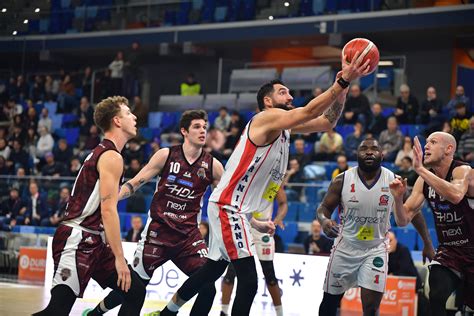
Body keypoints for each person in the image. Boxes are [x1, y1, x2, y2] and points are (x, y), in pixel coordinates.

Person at [152, 50, 371, 316]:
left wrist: (342, 90)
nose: (290, 96)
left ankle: (167, 312)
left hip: (238, 210)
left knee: (212, 269)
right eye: (283, 92)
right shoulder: (265, 119)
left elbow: (327, 122)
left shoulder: (284, 127)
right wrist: (343, 82)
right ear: (268, 101)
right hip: (228, 206)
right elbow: (310, 110)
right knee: (249, 281)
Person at [87, 109, 224, 316]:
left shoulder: (213, 166)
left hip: (188, 237)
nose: (203, 131)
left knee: (208, 288)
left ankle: (167, 313)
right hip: (157, 235)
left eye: (205, 127)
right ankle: (96, 312)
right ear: (184, 131)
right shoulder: (166, 155)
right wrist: (112, 197)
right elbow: (135, 183)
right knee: (132, 286)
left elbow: (225, 203)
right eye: (197, 127)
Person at [34, 96, 146, 315]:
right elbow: (107, 209)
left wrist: (133, 184)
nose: (134, 117)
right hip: (78, 238)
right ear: (117, 121)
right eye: (128, 113)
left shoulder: (103, 152)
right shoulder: (111, 156)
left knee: (135, 290)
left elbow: (105, 197)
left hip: (95, 241)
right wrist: (120, 259)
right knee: (57, 311)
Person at [317, 138, 430, 316]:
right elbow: (323, 208)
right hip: (345, 247)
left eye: (374, 149)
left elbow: (414, 211)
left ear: (382, 155)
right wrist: (324, 221)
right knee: (330, 302)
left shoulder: (394, 181)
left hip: (375, 249)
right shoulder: (342, 180)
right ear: (356, 154)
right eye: (364, 148)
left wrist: (427, 243)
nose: (369, 152)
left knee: (370, 308)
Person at [388, 132, 474, 316]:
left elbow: (457, 195)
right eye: (426, 142)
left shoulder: (463, 170)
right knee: (436, 293)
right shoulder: (423, 180)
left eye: (433, 142)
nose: (426, 146)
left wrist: (420, 170)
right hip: (450, 252)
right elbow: (403, 220)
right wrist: (397, 199)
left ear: (449, 149)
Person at [220, 188, 288, 316]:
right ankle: (223, 312)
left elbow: (283, 203)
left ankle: (280, 313)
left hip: (264, 229)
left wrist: (278, 219)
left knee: (270, 274)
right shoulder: (247, 178)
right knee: (231, 272)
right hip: (243, 226)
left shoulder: (273, 181)